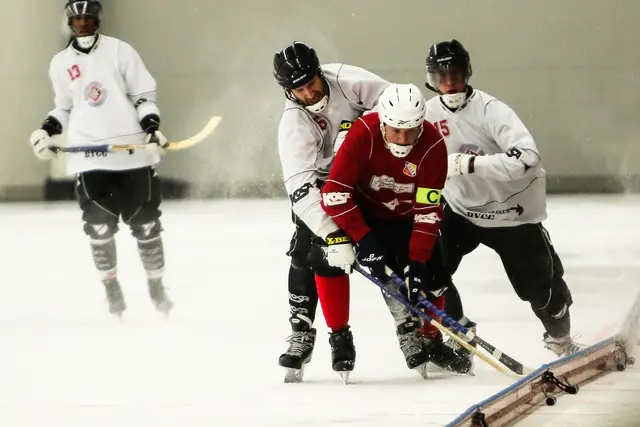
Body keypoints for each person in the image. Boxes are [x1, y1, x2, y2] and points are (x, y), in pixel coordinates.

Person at [274, 42, 437, 382]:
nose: (308, 93)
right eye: (298, 89)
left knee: (386, 248)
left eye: (312, 83)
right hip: (322, 186)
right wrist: (332, 234)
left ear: (321, 73)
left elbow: (394, 105)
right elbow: (300, 188)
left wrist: (360, 134)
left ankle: (406, 324)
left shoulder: (349, 79)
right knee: (308, 251)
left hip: (364, 175)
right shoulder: (293, 123)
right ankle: (305, 329)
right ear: (288, 91)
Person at [423, 39, 582, 358]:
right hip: (461, 211)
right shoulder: (427, 114)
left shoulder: (490, 110)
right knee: (427, 271)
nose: (450, 83)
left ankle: (561, 339)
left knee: (543, 289)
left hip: (511, 214)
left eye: (455, 74)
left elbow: (528, 157)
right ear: (431, 80)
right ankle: (458, 327)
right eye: (441, 77)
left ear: (467, 73)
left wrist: (471, 163)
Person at [28, 0, 173, 317]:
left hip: (132, 157)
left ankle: (156, 287)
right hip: (89, 159)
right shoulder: (60, 63)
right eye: (77, 18)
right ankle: (112, 291)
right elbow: (64, 107)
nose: (82, 23)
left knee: (147, 227)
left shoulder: (121, 51)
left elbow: (143, 97)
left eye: (88, 17)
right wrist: (45, 132)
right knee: (99, 229)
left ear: (97, 19)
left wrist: (151, 130)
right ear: (70, 22)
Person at [320, 83, 473, 377]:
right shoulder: (362, 133)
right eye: (395, 131)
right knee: (326, 259)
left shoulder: (432, 145)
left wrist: (417, 263)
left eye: (411, 131)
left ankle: (430, 337)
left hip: (406, 216)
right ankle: (381, 330)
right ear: (383, 123)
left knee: (436, 274)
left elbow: (427, 212)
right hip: (364, 215)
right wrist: (365, 239)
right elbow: (333, 195)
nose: (403, 140)